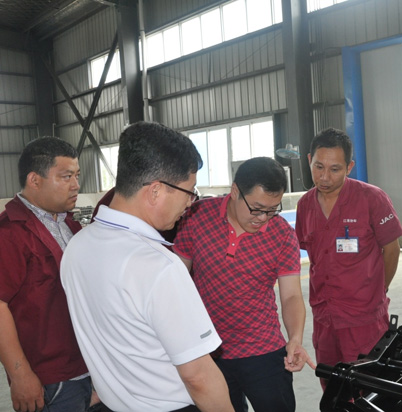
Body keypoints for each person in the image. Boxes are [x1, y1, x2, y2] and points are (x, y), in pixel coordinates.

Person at [60, 121, 233, 412]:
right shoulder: (158, 266)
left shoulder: (77, 247)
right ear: (155, 191)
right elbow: (199, 377)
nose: (189, 204)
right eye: (189, 192)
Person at [174, 156, 315, 412]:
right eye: (257, 208)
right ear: (235, 191)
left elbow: (292, 296)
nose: (263, 218)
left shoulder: (282, 234)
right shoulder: (197, 217)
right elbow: (177, 281)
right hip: (208, 351)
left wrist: (295, 338)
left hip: (263, 350)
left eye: (272, 210)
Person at [295, 128, 402, 388]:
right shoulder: (305, 205)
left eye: (335, 169)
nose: (324, 177)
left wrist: (379, 290)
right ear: (309, 160)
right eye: (318, 167)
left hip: (364, 318)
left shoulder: (371, 198)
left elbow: (392, 250)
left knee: (368, 388)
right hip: (324, 319)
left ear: (349, 167)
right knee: (332, 387)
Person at [0, 137, 92, 412]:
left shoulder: (69, 225)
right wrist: (20, 375)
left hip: (87, 366)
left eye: (76, 176)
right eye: (66, 176)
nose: (76, 185)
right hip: (49, 379)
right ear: (34, 180)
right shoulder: (10, 234)